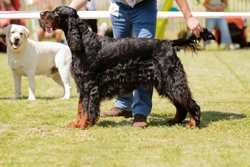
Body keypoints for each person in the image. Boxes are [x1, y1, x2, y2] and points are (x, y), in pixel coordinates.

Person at [69, 0, 203, 128]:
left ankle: (141, 113)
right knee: (118, 62)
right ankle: (123, 106)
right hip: (119, 9)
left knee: (145, 62)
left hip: (144, 6)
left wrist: (189, 16)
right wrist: (68, 10)